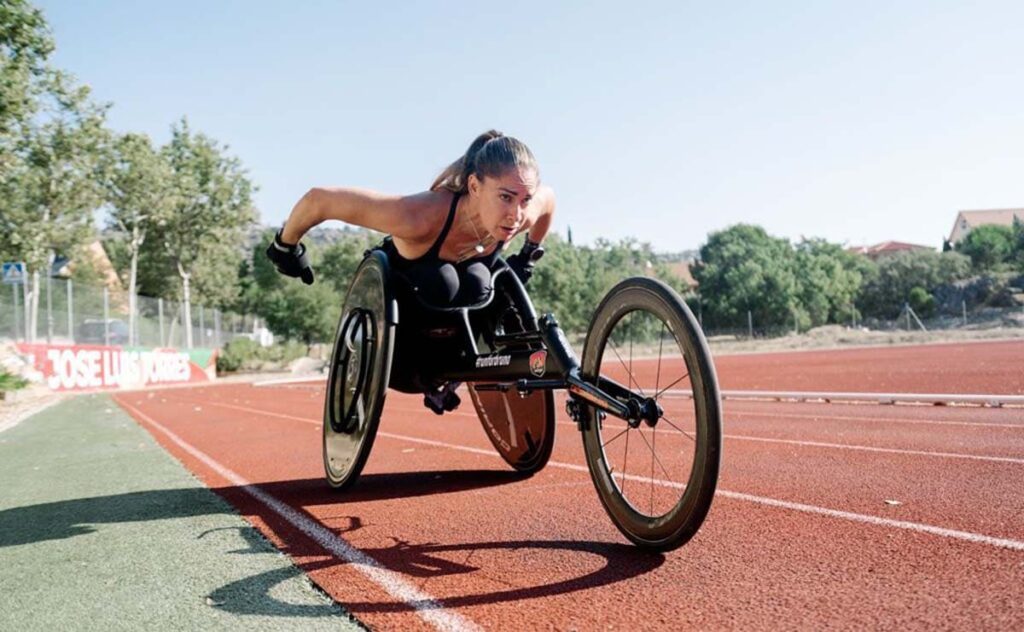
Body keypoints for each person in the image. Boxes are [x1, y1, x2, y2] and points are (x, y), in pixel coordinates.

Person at [267, 130, 555, 412]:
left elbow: (548, 199)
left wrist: (528, 256)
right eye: (505, 197)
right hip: (401, 354)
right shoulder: (418, 216)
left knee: (483, 282)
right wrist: (285, 246)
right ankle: (428, 372)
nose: (516, 215)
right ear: (475, 187)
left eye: (524, 200)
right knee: (443, 281)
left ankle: (457, 367)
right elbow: (320, 199)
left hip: (457, 347)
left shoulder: (520, 213)